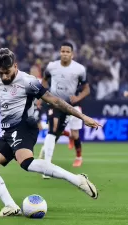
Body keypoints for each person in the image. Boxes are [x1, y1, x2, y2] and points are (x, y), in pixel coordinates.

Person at [0, 48, 100, 217]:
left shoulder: (28, 81)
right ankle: (10, 206)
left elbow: (56, 101)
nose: (5, 77)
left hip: (24, 126)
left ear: (15, 66)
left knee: (26, 163)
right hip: (8, 131)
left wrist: (82, 116)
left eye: (7, 72)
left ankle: (77, 180)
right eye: (1, 73)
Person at [38, 42, 90, 173]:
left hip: (70, 106)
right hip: (54, 102)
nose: (65, 54)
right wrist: (42, 95)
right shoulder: (51, 66)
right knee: (53, 128)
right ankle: (47, 165)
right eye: (63, 51)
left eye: (67, 52)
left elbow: (86, 89)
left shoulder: (80, 69)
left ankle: (78, 156)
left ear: (72, 55)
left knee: (69, 133)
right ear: (60, 52)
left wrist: (78, 98)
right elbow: (44, 80)